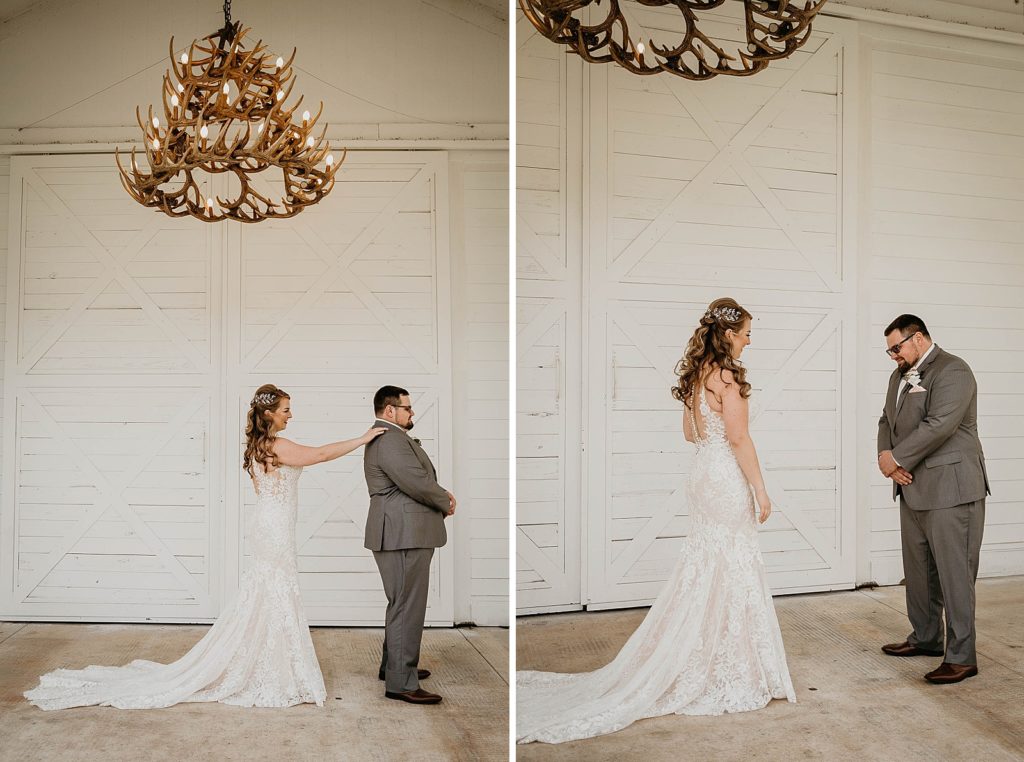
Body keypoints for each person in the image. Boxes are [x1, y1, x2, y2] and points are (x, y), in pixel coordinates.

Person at [516, 297, 795, 744]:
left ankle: (705, 654)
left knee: (707, 564)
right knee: (732, 563)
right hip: (725, 476)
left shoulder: (698, 376)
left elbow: (689, 434)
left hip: (702, 474)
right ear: (728, 335)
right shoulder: (728, 378)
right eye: (746, 334)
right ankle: (729, 665)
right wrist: (761, 488)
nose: (748, 342)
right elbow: (739, 438)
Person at [24, 384, 384, 710]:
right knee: (275, 592)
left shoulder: (259, 447)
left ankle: (274, 665)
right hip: (273, 529)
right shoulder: (277, 445)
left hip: (267, 525)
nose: (291, 415)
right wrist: (363, 438)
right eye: (286, 410)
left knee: (268, 594)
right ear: (269, 413)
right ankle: (277, 672)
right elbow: (319, 455)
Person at [877, 315, 989, 684]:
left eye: (896, 347)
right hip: (911, 486)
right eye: (889, 350)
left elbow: (939, 425)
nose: (893, 355)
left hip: (951, 489)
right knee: (919, 572)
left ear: (919, 338)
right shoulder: (898, 375)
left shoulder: (954, 370)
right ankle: (925, 637)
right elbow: (886, 420)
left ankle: (961, 657)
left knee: (955, 576)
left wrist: (897, 458)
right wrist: (885, 458)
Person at [363, 385, 455, 705]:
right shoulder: (389, 439)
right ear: (390, 410)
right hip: (403, 533)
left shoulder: (389, 437)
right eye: (407, 407)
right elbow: (416, 481)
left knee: (401, 602)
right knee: (406, 605)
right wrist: (445, 500)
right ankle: (401, 682)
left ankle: (394, 668)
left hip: (401, 531)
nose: (412, 412)